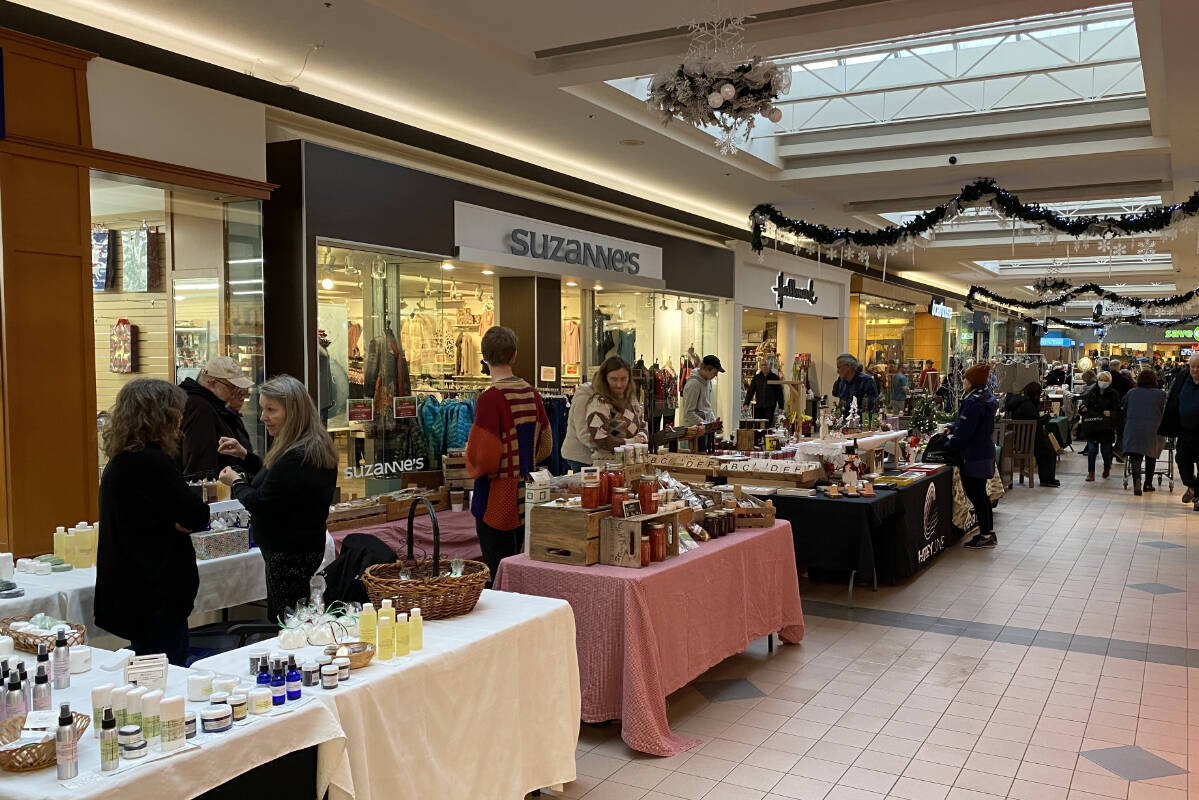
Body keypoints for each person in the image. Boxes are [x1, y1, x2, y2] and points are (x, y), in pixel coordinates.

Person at [97, 379, 210, 665]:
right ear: (161, 416)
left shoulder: (120, 461)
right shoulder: (152, 463)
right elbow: (196, 515)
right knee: (166, 670)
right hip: (155, 592)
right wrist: (174, 523)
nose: (180, 419)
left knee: (151, 666)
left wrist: (172, 521)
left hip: (134, 589)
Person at [218, 375, 337, 622]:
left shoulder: (297, 454)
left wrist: (236, 482)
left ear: (293, 412)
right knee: (294, 616)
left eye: (271, 410)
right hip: (299, 547)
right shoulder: (308, 445)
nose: (263, 417)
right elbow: (276, 480)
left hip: (289, 553)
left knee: (287, 621)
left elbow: (261, 501)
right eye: (263, 409)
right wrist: (245, 456)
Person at [466, 326, 552, 581]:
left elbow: (484, 458)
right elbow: (546, 443)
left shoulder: (490, 399)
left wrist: (472, 463)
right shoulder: (531, 394)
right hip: (527, 494)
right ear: (514, 355)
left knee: (497, 572)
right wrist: (526, 462)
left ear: (484, 357)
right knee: (518, 568)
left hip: (495, 497)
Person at [949, 363, 1000, 549]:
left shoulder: (973, 402)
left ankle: (985, 535)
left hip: (973, 454)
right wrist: (954, 427)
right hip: (984, 451)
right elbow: (972, 425)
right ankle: (988, 532)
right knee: (982, 495)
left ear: (972, 382)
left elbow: (965, 432)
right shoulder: (986, 398)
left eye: (965, 378)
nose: (963, 381)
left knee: (976, 495)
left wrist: (950, 444)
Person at [179, 356, 256, 479]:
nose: (235, 392)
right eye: (232, 387)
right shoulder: (200, 407)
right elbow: (200, 462)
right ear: (213, 383)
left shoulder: (209, 404)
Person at [580, 357, 648, 462]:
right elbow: (599, 438)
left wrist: (641, 436)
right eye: (614, 379)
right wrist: (631, 442)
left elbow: (642, 424)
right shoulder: (599, 403)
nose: (619, 385)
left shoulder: (631, 399)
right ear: (605, 379)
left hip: (631, 461)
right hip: (608, 463)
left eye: (623, 379)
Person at [1158, 353, 1199, 511]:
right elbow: (1172, 400)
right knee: (1182, 461)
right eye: (1192, 366)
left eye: (1198, 367)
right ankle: (1192, 486)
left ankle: (1197, 496)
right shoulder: (1183, 378)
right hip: (1185, 430)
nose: (1195, 370)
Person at [1004, 381, 1059, 487]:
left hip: (1021, 439)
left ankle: (1047, 478)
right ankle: (1047, 478)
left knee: (1047, 447)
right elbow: (1035, 422)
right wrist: (1047, 417)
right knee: (1049, 451)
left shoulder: (1019, 402)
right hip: (1028, 442)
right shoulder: (1028, 405)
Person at [1122, 369, 1167, 496]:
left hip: (1133, 428)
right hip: (1153, 429)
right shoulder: (1161, 394)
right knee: (1151, 456)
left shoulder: (1131, 393)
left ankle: (1137, 482)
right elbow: (1164, 412)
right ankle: (1148, 484)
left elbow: (1124, 408)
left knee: (1135, 456)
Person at [1078, 370, 1121, 481]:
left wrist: (1111, 413)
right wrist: (1083, 408)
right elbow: (1084, 404)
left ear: (1109, 382)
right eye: (1101, 379)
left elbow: (1118, 411)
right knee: (1092, 450)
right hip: (1092, 425)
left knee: (1106, 451)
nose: (1103, 382)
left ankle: (1107, 466)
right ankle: (1091, 473)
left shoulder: (1113, 394)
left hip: (1106, 427)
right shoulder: (1092, 391)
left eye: (1105, 380)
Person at [561, 379, 596, 473]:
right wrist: (605, 446)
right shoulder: (585, 396)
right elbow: (583, 432)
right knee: (587, 482)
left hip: (590, 454)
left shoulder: (601, 396)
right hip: (581, 456)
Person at [744, 358, 783, 422]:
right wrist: (746, 403)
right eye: (762, 365)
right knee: (758, 425)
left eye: (766, 365)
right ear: (760, 367)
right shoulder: (756, 378)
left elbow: (779, 393)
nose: (764, 367)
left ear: (769, 366)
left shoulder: (775, 377)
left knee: (768, 426)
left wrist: (781, 407)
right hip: (759, 407)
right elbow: (750, 391)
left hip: (770, 407)